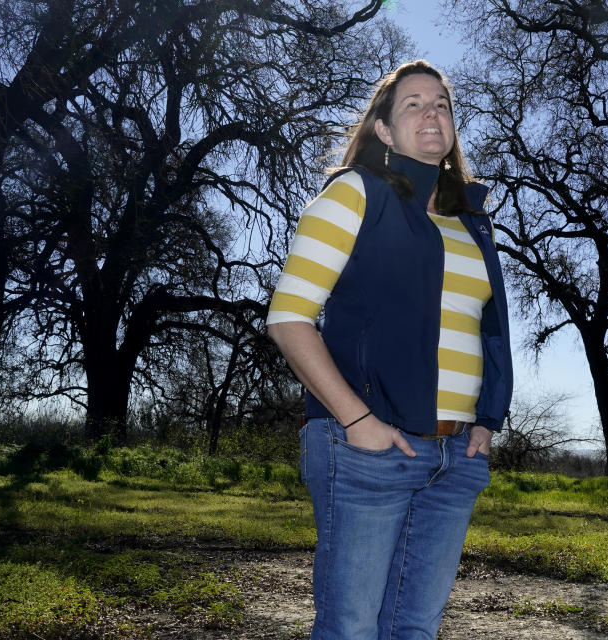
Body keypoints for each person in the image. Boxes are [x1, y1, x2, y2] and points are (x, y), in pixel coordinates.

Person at [266, 59, 513, 640]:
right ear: (384, 130)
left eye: (442, 105)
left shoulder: (470, 221)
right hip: (368, 451)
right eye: (413, 104)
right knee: (351, 629)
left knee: (415, 629)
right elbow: (288, 317)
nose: (432, 113)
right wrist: (358, 420)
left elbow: (489, 330)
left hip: (456, 461)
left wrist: (485, 421)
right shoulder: (356, 193)